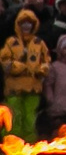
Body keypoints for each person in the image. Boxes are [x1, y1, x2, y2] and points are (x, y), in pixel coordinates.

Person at [2, 7, 49, 138]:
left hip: (33, 87)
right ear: (19, 24)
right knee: (14, 117)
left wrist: (41, 70)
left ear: (34, 25)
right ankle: (11, 143)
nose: (26, 25)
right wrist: (19, 67)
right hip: (14, 87)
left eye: (29, 23)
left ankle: (29, 146)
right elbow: (4, 60)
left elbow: (46, 61)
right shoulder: (11, 42)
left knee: (30, 118)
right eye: (23, 23)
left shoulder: (39, 43)